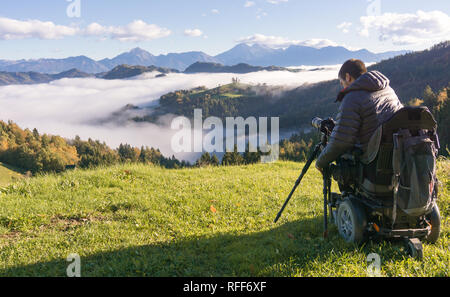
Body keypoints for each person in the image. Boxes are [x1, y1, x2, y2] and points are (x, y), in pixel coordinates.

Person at [315, 59, 403, 172]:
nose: (342, 87)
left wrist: (320, 162)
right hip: (397, 159)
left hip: (373, 166)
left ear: (348, 77)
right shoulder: (388, 90)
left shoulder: (352, 98)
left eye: (341, 82)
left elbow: (341, 142)